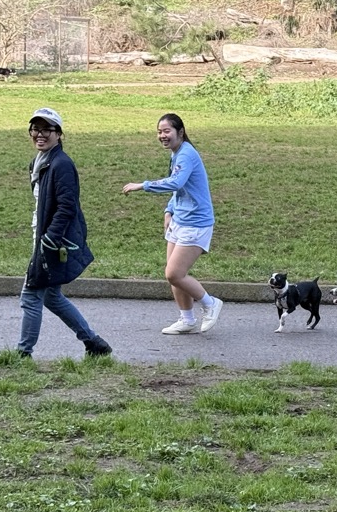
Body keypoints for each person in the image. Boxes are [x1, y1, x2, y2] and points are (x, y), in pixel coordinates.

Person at [18, 108, 112, 359]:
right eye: (35, 129)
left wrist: (50, 238)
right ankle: (94, 343)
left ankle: (23, 354)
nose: (40, 134)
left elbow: (67, 206)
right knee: (51, 296)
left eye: (47, 129)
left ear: (59, 134)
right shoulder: (39, 162)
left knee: (30, 294)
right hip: (43, 236)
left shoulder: (61, 164)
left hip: (50, 240)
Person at [122, 113, 223, 334]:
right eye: (159, 131)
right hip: (180, 219)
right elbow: (181, 188)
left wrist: (143, 185)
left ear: (180, 132)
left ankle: (210, 303)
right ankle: (187, 320)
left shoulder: (186, 154)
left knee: (174, 274)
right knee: (173, 274)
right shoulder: (177, 153)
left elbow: (176, 182)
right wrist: (169, 210)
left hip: (196, 223)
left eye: (166, 131)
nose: (162, 135)